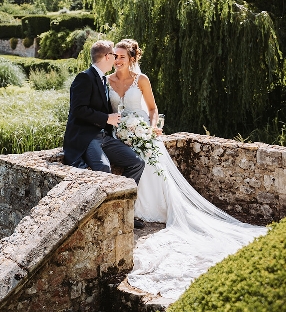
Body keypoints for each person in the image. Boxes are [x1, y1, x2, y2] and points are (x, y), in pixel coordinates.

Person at [108, 38, 267, 300]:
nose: (117, 60)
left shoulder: (142, 80)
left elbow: (152, 108)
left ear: (132, 58)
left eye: (122, 56)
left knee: (153, 170)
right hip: (118, 138)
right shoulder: (108, 82)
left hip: (142, 136)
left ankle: (151, 209)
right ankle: (135, 209)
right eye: (115, 55)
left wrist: (150, 128)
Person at [63, 40, 146, 228]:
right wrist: (106, 118)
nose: (116, 60)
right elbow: (78, 110)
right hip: (88, 137)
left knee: (136, 162)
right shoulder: (84, 78)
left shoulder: (103, 79)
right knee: (104, 169)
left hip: (105, 137)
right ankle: (107, 219)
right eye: (114, 56)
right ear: (107, 57)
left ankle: (124, 212)